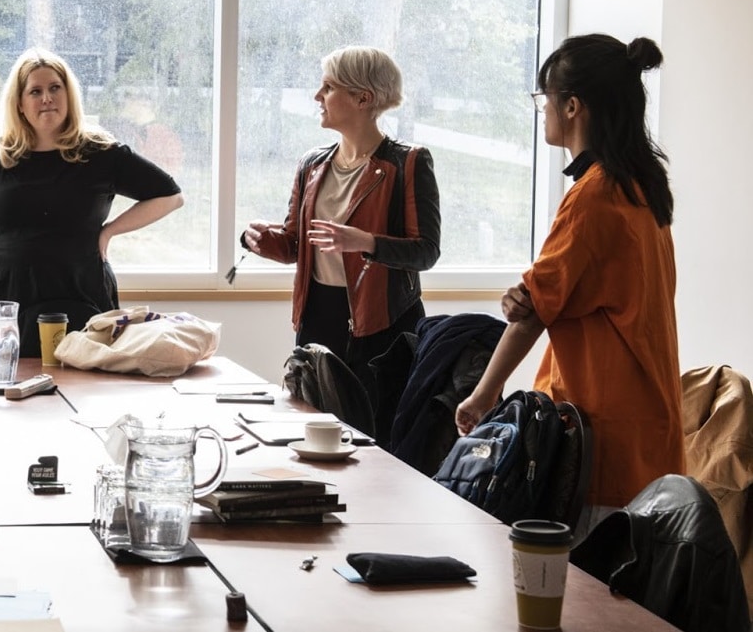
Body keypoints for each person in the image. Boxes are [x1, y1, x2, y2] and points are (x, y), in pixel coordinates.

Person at [456, 35, 681, 514]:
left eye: (545, 100)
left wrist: (482, 396)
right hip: (647, 429)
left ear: (573, 106)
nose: (543, 110)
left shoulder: (594, 195)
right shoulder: (642, 184)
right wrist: (530, 293)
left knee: (576, 585)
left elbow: (533, 310)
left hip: (601, 434)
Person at [0, 48, 184, 358]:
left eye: (55, 88)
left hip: (80, 285)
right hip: (9, 288)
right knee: (7, 386)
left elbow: (170, 196)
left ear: (69, 95)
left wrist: (108, 232)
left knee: (87, 383)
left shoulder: (100, 152)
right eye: (35, 91)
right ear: (20, 102)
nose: (47, 98)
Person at [241, 46, 440, 377]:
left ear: (363, 99)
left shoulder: (408, 163)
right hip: (316, 317)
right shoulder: (312, 164)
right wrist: (259, 240)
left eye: (329, 87)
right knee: (314, 422)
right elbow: (295, 244)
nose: (318, 95)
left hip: (384, 326)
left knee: (374, 427)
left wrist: (365, 242)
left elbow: (426, 252)